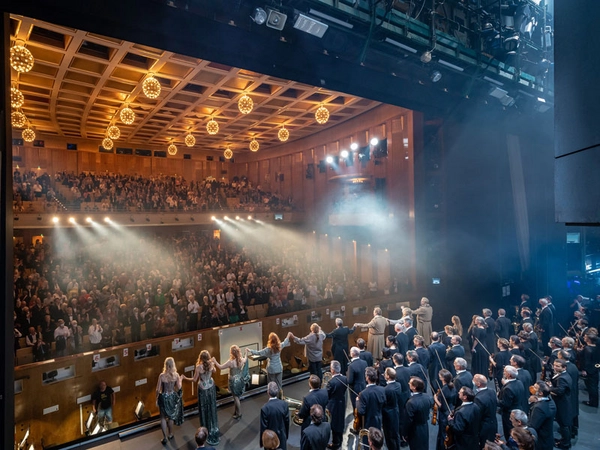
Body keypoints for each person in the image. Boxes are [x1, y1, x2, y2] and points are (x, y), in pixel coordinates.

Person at [183, 350, 219, 446]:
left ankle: (205, 428)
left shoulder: (199, 367)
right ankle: (213, 427)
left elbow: (194, 379)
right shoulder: (211, 364)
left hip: (203, 389)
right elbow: (215, 371)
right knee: (212, 407)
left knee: (204, 408)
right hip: (211, 387)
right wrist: (213, 363)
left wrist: (185, 378)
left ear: (201, 358)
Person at [212, 345, 249, 419]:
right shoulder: (241, 360)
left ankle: (239, 413)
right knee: (237, 396)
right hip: (240, 380)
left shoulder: (231, 362)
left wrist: (215, 361)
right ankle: (236, 411)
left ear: (232, 353)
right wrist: (246, 352)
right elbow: (246, 359)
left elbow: (220, 367)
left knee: (235, 398)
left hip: (233, 381)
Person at [155, 357, 184, 445]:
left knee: (163, 418)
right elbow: (179, 388)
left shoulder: (162, 375)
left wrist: (156, 398)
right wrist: (181, 379)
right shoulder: (176, 375)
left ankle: (164, 437)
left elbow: (157, 389)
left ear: (165, 365)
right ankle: (170, 434)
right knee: (171, 417)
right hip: (172, 397)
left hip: (163, 397)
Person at [549, 359, 572, 449]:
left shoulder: (562, 378)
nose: (555, 367)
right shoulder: (564, 375)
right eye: (554, 365)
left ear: (564, 367)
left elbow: (559, 391)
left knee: (563, 424)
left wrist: (550, 388)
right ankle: (564, 440)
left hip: (562, 404)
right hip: (563, 402)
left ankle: (565, 444)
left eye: (558, 366)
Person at [404, 376, 433, 450]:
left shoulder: (411, 402)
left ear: (414, 387)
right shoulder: (427, 397)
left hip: (415, 430)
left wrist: (405, 433)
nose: (408, 383)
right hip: (425, 426)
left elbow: (408, 421)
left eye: (410, 383)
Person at [498, 365, 524, 442]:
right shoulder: (519, 382)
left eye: (505, 372)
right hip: (518, 408)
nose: (503, 373)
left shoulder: (508, 388)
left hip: (509, 413)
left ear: (509, 375)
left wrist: (496, 400)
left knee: (509, 433)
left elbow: (505, 404)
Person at [260, 382, 290, 450]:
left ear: (268, 392)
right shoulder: (284, 404)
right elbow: (287, 422)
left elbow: (263, 427)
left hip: (269, 439)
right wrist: (286, 436)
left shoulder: (265, 408)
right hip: (282, 436)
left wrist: (263, 442)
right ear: (277, 392)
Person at [528, 382, 557, 450]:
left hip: (540, 441)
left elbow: (533, 426)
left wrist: (530, 402)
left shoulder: (539, 408)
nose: (532, 388)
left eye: (535, 388)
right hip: (548, 437)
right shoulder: (550, 400)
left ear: (540, 393)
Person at [326, 360, 347, 450]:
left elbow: (327, 394)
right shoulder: (345, 379)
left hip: (333, 405)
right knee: (340, 421)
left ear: (333, 370)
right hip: (342, 402)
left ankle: (335, 443)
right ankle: (340, 440)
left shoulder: (331, 382)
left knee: (334, 423)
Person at [473, 374, 498, 448]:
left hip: (484, 427)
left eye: (474, 379)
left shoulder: (478, 398)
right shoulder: (492, 391)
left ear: (478, 384)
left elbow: (478, 415)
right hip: (493, 423)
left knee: (484, 445)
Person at [434, 369, 456, 450]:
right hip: (451, 410)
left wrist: (435, 398)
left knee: (443, 433)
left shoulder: (443, 390)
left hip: (444, 414)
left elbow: (441, 406)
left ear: (442, 378)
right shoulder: (453, 386)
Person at [382, 367, 402, 450]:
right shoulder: (398, 385)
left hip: (388, 414)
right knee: (395, 433)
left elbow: (383, 402)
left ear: (387, 377)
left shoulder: (386, 390)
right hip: (396, 410)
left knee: (389, 435)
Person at [347, 346, 368, 410]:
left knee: (356, 407)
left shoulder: (351, 366)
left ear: (352, 354)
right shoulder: (364, 362)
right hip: (364, 386)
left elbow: (350, 381)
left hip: (355, 389)